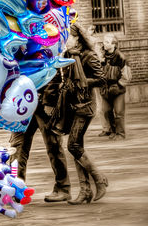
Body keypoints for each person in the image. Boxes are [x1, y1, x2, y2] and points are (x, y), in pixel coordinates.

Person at [51, 23, 108, 204]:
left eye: (67, 37)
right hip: (73, 105)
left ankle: (99, 179)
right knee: (77, 148)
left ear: (77, 38)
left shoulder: (88, 56)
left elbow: (102, 79)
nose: (64, 40)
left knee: (73, 146)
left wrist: (82, 82)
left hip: (86, 106)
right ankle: (85, 190)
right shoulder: (68, 56)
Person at [8, 83, 72, 203]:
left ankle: (63, 187)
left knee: (53, 146)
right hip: (22, 103)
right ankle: (17, 187)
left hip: (41, 102)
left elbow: (52, 70)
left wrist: (49, 100)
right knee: (17, 147)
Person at [100, 34, 130, 140]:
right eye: (104, 41)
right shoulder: (101, 56)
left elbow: (126, 76)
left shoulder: (121, 57)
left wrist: (118, 85)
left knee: (119, 112)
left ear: (113, 44)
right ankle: (112, 131)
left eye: (107, 42)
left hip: (118, 89)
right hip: (105, 89)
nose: (104, 43)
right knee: (106, 111)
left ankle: (120, 134)